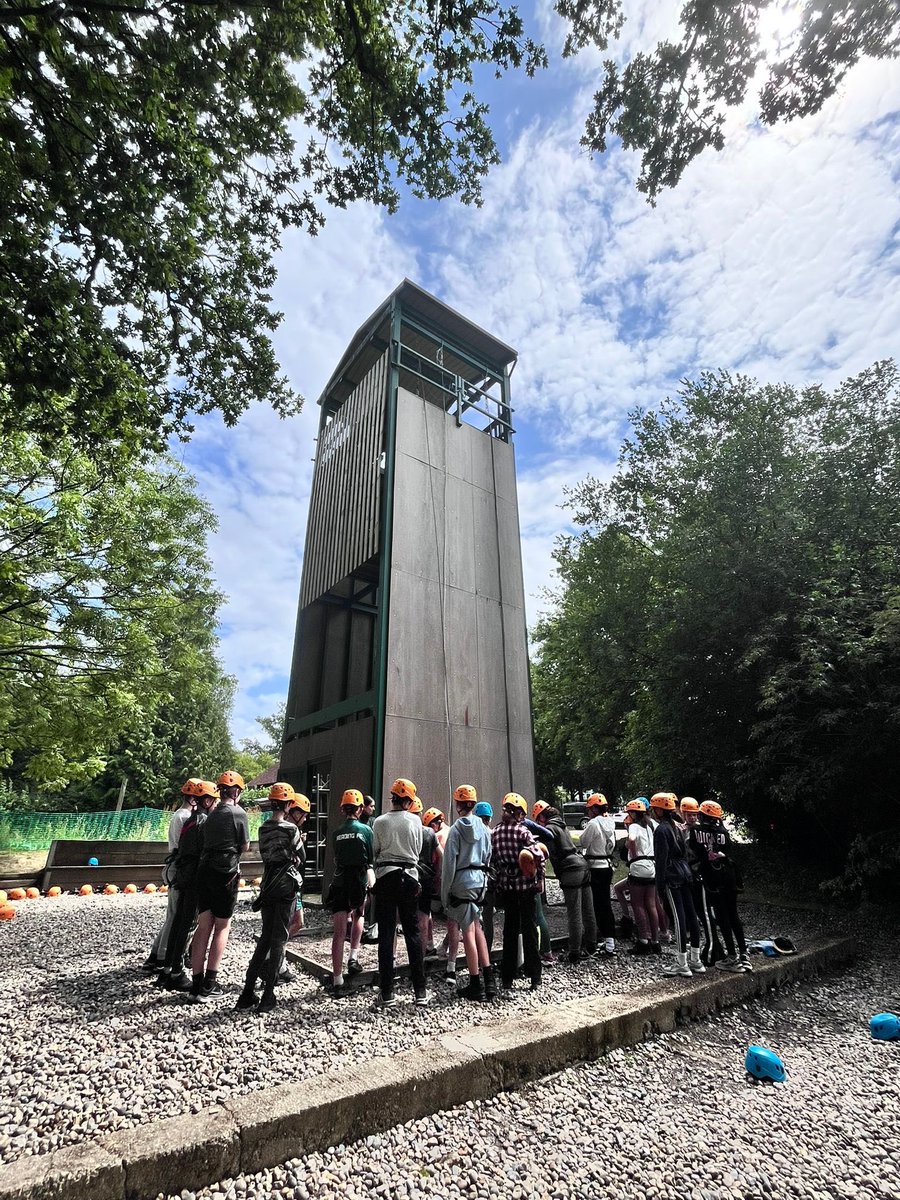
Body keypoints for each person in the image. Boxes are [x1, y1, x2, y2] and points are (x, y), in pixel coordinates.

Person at [236, 783, 303, 1013]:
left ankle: (247, 992)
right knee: (279, 939)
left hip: (267, 885)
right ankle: (268, 994)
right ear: (288, 804)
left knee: (265, 937)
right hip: (285, 887)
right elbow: (301, 855)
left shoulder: (263, 828)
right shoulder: (291, 830)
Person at [189, 773, 251, 1001]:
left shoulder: (211, 814)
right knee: (222, 926)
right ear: (236, 792)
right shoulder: (239, 813)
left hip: (204, 871)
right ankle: (209, 985)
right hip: (226, 873)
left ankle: (196, 985)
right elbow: (244, 846)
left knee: (203, 925)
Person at [154, 780, 219, 992]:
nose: (216, 805)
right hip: (195, 878)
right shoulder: (204, 823)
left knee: (179, 922)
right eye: (214, 801)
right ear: (207, 801)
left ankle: (167, 970)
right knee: (188, 925)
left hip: (183, 875)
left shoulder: (190, 820)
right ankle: (176, 972)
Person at [372, 778, 427, 1009]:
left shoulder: (380, 821)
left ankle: (387, 992)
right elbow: (418, 849)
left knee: (386, 933)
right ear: (409, 801)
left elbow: (375, 850)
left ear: (393, 798)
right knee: (412, 932)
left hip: (386, 877)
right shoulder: (415, 820)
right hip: (409, 877)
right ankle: (420, 991)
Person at [442, 785, 494, 1001]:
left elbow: (449, 865)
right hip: (480, 882)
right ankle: (489, 980)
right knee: (477, 927)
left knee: (468, 932)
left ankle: (475, 984)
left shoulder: (455, 830)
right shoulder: (484, 828)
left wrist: (445, 895)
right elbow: (488, 855)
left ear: (458, 804)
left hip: (462, 882)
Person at [491, 793, 545, 992]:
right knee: (530, 929)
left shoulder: (495, 833)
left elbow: (493, 860)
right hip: (526, 887)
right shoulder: (523, 833)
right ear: (520, 814)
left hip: (507, 887)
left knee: (510, 931)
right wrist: (540, 879)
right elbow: (538, 856)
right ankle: (534, 976)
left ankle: (507, 977)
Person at [142, 780, 198, 972]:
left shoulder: (180, 815)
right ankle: (163, 956)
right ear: (193, 798)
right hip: (180, 867)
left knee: (172, 915)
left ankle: (156, 955)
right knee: (176, 916)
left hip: (176, 866)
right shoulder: (185, 817)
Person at [532, 802, 597, 962]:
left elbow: (547, 853)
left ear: (542, 817)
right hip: (582, 865)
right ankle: (591, 946)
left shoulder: (549, 829)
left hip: (570, 869)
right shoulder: (562, 825)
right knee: (588, 910)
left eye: (538, 820)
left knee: (574, 913)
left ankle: (574, 952)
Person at [690, 800, 750, 972]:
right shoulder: (723, 832)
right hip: (729, 875)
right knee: (733, 915)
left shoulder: (695, 831)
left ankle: (732, 956)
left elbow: (693, 850)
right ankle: (744, 953)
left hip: (712, 878)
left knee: (722, 917)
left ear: (702, 815)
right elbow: (728, 848)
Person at [326, 788, 374, 996]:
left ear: (342, 809)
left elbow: (337, 858)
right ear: (360, 808)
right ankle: (353, 957)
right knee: (359, 915)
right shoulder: (366, 830)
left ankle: (337, 980)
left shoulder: (336, 833)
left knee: (338, 933)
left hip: (339, 882)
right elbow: (370, 858)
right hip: (358, 881)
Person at [651, 792, 705, 978]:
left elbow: (661, 860)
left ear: (659, 810)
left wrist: (659, 885)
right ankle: (696, 960)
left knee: (679, 918)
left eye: (654, 809)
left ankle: (682, 963)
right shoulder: (677, 827)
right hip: (685, 873)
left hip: (672, 876)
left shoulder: (661, 830)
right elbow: (683, 853)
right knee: (691, 916)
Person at [680, 796, 724, 966]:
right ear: (683, 814)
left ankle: (713, 946)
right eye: (689, 815)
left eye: (694, 815)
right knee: (698, 910)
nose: (692, 818)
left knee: (705, 911)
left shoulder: (700, 831)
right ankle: (707, 942)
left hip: (700, 873)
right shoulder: (682, 830)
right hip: (691, 872)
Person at [580, 792, 617, 956]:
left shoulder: (593, 824)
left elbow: (583, 842)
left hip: (595, 866)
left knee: (598, 904)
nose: (588, 811)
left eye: (589, 808)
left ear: (595, 809)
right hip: (607, 865)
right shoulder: (610, 822)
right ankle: (610, 939)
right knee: (605, 903)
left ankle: (607, 942)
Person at [622, 799, 660, 955]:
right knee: (651, 905)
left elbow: (631, 840)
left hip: (638, 867)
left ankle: (643, 940)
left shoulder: (634, 826)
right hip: (651, 866)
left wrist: (634, 855)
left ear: (632, 813)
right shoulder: (650, 826)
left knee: (637, 904)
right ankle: (656, 941)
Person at [409, 797, 441, 959]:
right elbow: (441, 855)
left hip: (409, 876)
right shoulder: (429, 832)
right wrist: (439, 874)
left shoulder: (406, 830)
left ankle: (401, 957)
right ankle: (420, 958)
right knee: (423, 917)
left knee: (406, 918)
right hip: (427, 877)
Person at [473, 801, 497, 950]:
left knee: (471, 917)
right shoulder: (493, 834)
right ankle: (486, 951)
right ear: (490, 818)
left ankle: (477, 951)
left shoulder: (473, 834)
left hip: (473, 879)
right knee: (488, 919)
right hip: (489, 880)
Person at [359, 795, 379, 943]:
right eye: (371, 806)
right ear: (364, 807)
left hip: (373, 862)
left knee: (372, 894)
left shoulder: (374, 821)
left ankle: (370, 925)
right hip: (362, 862)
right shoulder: (359, 822)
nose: (373, 809)